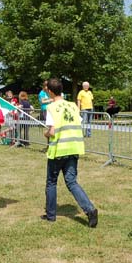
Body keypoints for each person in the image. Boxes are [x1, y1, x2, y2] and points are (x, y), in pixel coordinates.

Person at [42, 77, 98, 227]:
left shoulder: (51, 108)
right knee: (72, 182)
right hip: (74, 148)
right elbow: (78, 122)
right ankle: (90, 210)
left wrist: (46, 133)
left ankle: (51, 215)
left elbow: (52, 131)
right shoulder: (73, 106)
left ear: (50, 91)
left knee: (51, 182)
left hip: (59, 150)